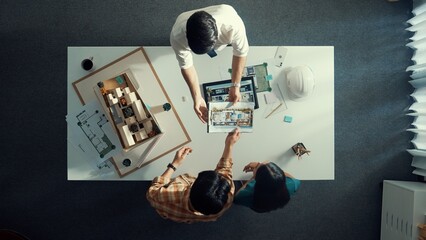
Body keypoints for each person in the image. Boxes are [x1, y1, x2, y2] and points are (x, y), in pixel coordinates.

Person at [170, 4, 249, 123]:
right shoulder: (177, 36)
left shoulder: (233, 25)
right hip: (185, 24)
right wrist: (196, 97)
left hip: (225, 20)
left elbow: (241, 53)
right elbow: (186, 65)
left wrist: (235, 86)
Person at [146, 129, 241, 223]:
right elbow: (225, 170)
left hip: (168, 209)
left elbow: (152, 192)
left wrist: (174, 164)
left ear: (191, 187)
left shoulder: (171, 194)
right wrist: (229, 144)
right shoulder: (226, 198)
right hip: (188, 216)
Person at [234, 162, 301, 213]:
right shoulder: (292, 184)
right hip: (272, 204)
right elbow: (290, 178)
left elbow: (237, 197)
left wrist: (253, 177)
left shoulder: (248, 193)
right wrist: (259, 166)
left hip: (258, 205)